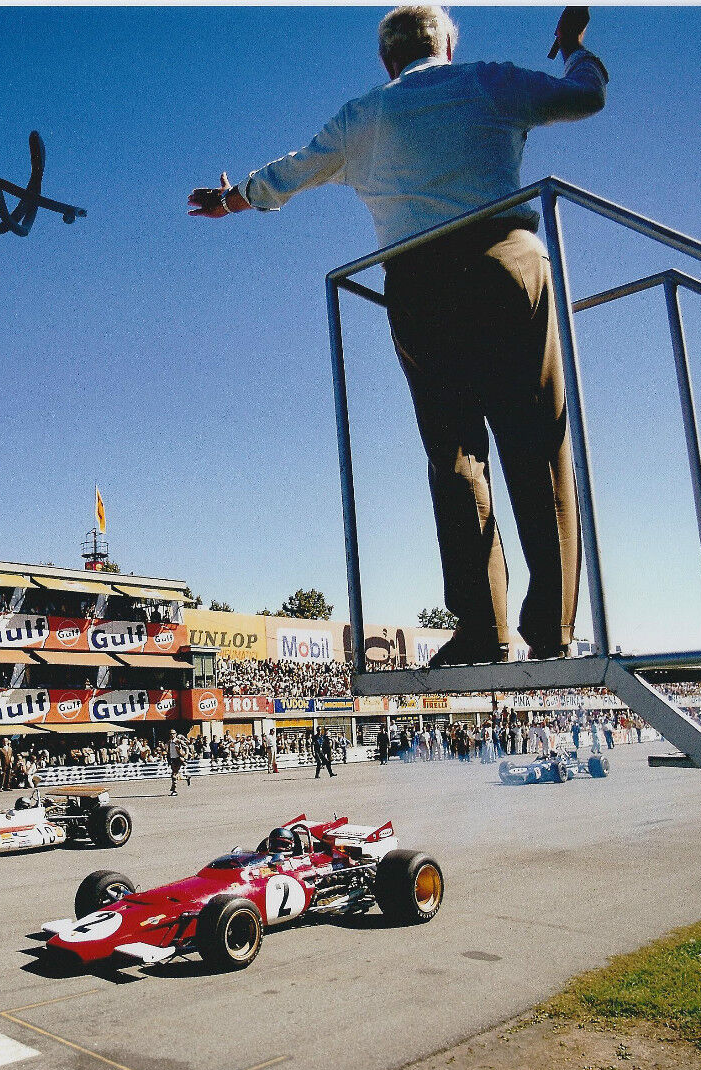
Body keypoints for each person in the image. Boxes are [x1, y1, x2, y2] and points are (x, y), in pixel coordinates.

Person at [189, 5, 607, 666]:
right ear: (446, 42)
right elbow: (585, 97)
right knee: (537, 445)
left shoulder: (363, 117)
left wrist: (234, 197)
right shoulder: (490, 81)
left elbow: (293, 171)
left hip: (420, 281)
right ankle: (553, 628)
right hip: (507, 260)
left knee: (455, 457)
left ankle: (482, 630)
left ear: (387, 60)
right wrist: (578, 48)